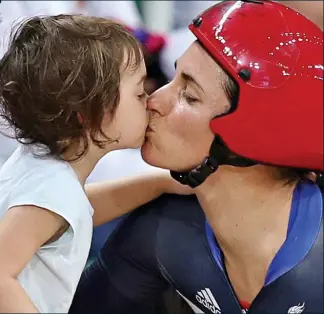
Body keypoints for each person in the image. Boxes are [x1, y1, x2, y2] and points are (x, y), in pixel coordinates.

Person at [69, 1, 323, 313]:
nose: (153, 100)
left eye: (189, 96)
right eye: (173, 79)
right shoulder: (164, 229)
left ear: (256, 137)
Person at [0, 15, 190, 313]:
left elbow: (72, 217)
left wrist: (160, 182)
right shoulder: (52, 189)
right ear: (86, 114)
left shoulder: (42, 165)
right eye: (139, 92)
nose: (151, 100)